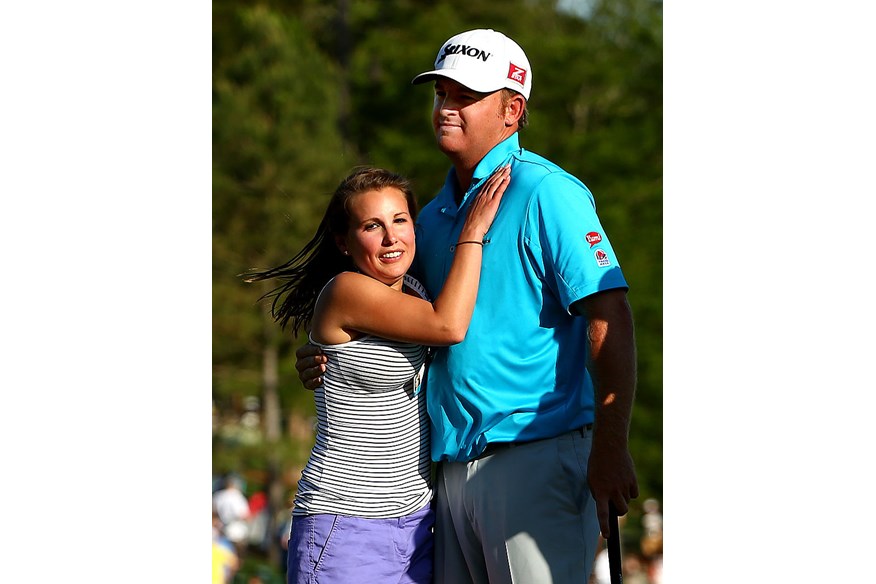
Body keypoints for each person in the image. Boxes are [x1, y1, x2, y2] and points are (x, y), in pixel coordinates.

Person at [295, 28, 639, 584]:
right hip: (444, 480)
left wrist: (611, 442)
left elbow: (609, 314)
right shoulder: (426, 219)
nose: (446, 108)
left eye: (466, 95)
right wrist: (318, 356)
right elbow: (389, 324)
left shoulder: (548, 192)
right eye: (441, 94)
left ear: (512, 109)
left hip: (535, 456)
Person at [244, 165, 510, 584]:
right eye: (372, 225)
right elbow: (449, 327)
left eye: (400, 220)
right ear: (343, 242)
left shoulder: (416, 292)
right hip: (345, 524)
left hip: (417, 523)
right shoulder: (346, 290)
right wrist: (473, 228)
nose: (391, 237)